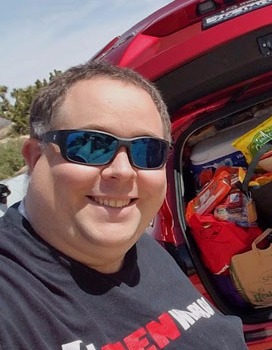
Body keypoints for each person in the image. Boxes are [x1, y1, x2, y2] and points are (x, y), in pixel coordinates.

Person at [0, 61, 248, 349]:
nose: (124, 170)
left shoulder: (142, 247)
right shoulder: (12, 299)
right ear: (35, 157)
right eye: (91, 145)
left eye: (147, 150)